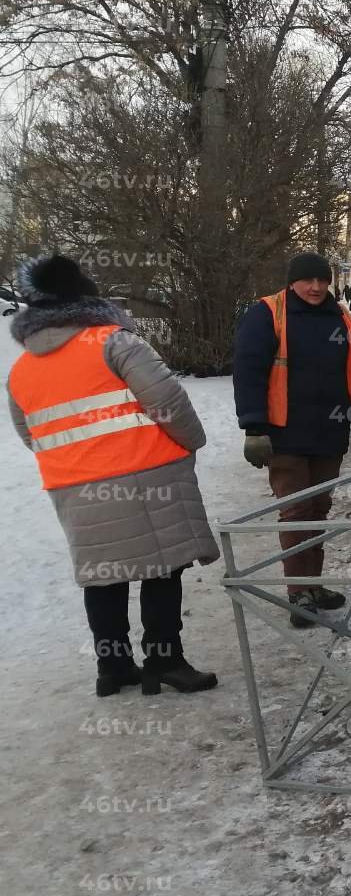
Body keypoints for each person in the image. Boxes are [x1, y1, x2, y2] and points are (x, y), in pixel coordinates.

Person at [6, 254, 219, 696]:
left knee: (103, 576)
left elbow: (32, 434)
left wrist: (77, 462)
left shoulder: (21, 370)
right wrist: (192, 443)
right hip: (148, 475)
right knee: (162, 568)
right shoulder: (114, 343)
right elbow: (169, 403)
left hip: (73, 487)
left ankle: (113, 667)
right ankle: (164, 661)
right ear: (86, 297)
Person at [233, 252, 351, 627]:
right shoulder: (268, 314)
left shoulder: (341, 316)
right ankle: (298, 591)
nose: (316, 288)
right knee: (295, 512)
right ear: (292, 282)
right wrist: (254, 428)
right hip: (284, 434)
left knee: (318, 509)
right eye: (307, 281)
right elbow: (248, 371)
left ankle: (313, 585)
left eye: (322, 281)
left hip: (328, 432)